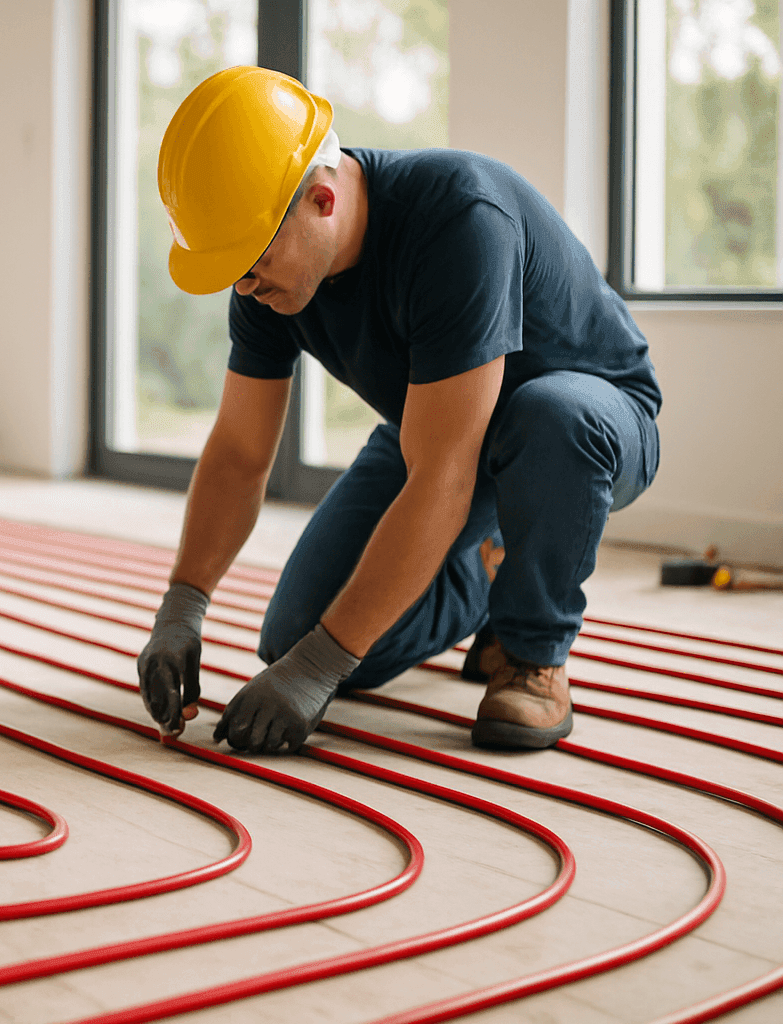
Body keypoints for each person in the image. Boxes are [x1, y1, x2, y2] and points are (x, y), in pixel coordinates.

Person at [137, 67, 661, 753]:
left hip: (587, 425)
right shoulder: (265, 277)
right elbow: (239, 452)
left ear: (323, 198)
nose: (242, 283)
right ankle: (486, 568)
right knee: (294, 636)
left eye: (252, 260)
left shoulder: (459, 220)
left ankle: (533, 655)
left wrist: (323, 668)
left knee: (548, 412)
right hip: (437, 426)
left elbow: (443, 476)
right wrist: (184, 604)